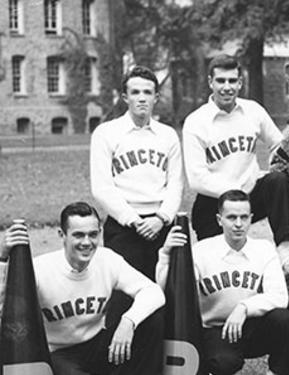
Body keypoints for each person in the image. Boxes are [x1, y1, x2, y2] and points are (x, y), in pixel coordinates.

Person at [0, 202, 165, 375]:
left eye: (92, 235)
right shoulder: (41, 269)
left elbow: (153, 292)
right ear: (62, 235)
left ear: (100, 233)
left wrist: (128, 321)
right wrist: (2, 258)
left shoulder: (107, 259)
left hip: (97, 343)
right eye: (78, 235)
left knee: (153, 320)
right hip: (58, 353)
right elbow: (4, 307)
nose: (86, 242)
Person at [182, 54, 289, 280]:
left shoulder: (253, 111)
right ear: (210, 82)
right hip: (213, 202)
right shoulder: (196, 121)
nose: (227, 87)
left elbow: (280, 146)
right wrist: (235, 191)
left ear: (240, 82)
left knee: (277, 180)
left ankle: (286, 255)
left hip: (250, 194)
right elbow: (196, 178)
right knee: (217, 265)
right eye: (221, 81)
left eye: (232, 81)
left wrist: (268, 169)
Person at [156, 189, 289, 375]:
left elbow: (279, 297)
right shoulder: (201, 251)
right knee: (224, 362)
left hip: (250, 325)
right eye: (231, 217)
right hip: (215, 330)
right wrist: (165, 256)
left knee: (283, 319)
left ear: (251, 218)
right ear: (219, 219)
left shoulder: (264, 249)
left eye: (244, 217)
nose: (238, 224)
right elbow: (171, 295)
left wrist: (243, 308)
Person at [90, 65, 182, 328]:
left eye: (148, 92)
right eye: (135, 92)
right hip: (124, 224)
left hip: (161, 224)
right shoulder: (106, 133)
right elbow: (102, 187)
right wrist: (133, 220)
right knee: (125, 295)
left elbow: (176, 184)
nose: (142, 98)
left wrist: (162, 218)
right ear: (124, 97)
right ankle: (121, 359)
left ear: (156, 97)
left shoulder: (167, 136)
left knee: (164, 291)